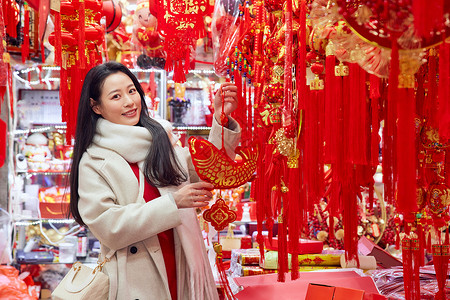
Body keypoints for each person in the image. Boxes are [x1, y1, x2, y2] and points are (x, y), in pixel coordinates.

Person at [69, 61, 241, 300]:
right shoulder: (93, 161)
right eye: (116, 96)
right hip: (136, 277)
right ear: (96, 106)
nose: (129, 102)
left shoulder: (160, 137)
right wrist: (173, 203)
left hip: (181, 262)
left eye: (131, 91)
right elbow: (110, 228)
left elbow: (204, 170)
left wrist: (220, 121)